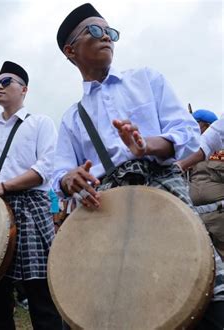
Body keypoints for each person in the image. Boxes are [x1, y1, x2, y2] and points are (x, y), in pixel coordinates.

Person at [53, 3, 223, 328]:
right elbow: (59, 174)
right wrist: (70, 179)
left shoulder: (146, 78)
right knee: (116, 304)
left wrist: (146, 145)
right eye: (96, 31)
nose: (107, 38)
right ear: (70, 49)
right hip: (105, 215)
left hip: (165, 199)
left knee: (204, 292)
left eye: (111, 32)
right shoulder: (72, 118)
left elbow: (186, 133)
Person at [0, 61, 63, 329]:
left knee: (39, 291)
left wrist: (3, 186)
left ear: (24, 89)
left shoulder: (40, 123)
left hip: (30, 208)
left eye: (6, 82)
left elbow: (45, 168)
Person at [176, 110, 224, 257]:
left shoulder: (220, 154)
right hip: (197, 222)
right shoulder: (185, 154)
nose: (192, 128)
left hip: (219, 219)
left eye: (196, 124)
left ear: (208, 126)